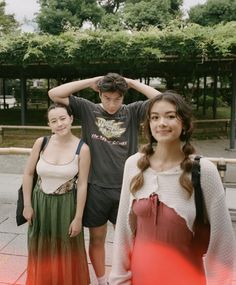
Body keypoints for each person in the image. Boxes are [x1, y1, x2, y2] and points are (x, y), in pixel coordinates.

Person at [109, 91, 236, 285]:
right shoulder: (133, 165)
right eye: (155, 117)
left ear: (184, 123)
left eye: (170, 116)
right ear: (148, 125)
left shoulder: (203, 171)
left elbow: (222, 240)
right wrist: (119, 279)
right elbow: (123, 233)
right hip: (140, 276)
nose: (161, 123)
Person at [48, 73, 161, 285]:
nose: (111, 104)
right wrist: (91, 81)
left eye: (117, 99)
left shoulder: (132, 111)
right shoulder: (88, 109)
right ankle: (102, 280)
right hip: (96, 189)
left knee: (130, 241)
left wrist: (132, 83)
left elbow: (162, 99)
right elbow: (54, 93)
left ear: (123, 97)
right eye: (107, 98)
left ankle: (126, 278)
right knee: (97, 238)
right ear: (99, 94)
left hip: (127, 189)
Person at [22, 103, 91, 285]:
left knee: (66, 248)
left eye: (62, 118)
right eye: (54, 121)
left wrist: (78, 218)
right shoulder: (41, 142)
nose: (59, 124)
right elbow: (28, 173)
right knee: (41, 247)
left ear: (71, 119)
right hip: (40, 203)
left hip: (66, 205)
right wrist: (27, 205)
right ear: (49, 124)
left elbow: (83, 184)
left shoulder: (82, 148)